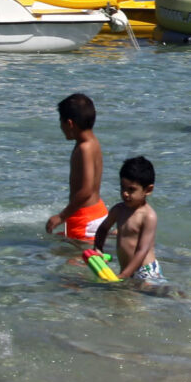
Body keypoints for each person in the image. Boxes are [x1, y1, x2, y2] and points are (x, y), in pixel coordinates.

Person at [91, 156, 162, 286]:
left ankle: (181, 297)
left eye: (131, 189)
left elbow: (142, 250)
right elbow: (103, 229)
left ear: (148, 190)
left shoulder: (148, 216)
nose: (125, 193)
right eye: (123, 187)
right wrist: (98, 248)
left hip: (145, 271)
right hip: (127, 270)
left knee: (156, 294)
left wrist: (124, 275)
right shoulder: (118, 210)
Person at [46, 92, 107, 245]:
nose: (60, 127)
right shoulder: (93, 142)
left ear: (70, 124)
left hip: (85, 218)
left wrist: (62, 216)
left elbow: (86, 190)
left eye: (61, 122)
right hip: (95, 211)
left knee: (75, 264)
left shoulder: (84, 148)